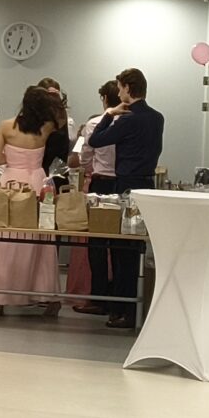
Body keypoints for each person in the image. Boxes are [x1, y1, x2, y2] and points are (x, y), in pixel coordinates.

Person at [85, 69, 165, 328]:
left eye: (120, 88)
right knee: (135, 248)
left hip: (126, 186)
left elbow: (96, 140)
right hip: (147, 184)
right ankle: (129, 308)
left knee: (122, 250)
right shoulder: (157, 118)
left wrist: (109, 114)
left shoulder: (127, 119)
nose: (118, 93)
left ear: (128, 88)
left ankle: (123, 309)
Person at [0, 84, 60, 311]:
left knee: (3, 235)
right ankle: (43, 293)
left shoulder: (6, 126)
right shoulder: (47, 127)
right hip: (37, 181)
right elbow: (62, 124)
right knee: (38, 238)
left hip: (11, 181)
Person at [64, 81, 122, 310]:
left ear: (105, 100)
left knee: (97, 242)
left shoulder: (94, 123)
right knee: (120, 243)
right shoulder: (130, 122)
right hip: (122, 182)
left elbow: (83, 158)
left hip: (100, 182)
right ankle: (118, 297)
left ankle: (98, 296)